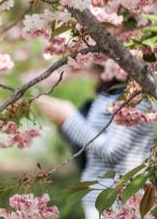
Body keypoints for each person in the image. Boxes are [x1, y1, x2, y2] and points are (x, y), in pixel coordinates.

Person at [36, 70, 154, 219]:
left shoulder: (136, 97)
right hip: (96, 198)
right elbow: (90, 145)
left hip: (122, 200)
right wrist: (64, 124)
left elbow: (112, 151)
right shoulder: (106, 94)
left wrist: (69, 119)